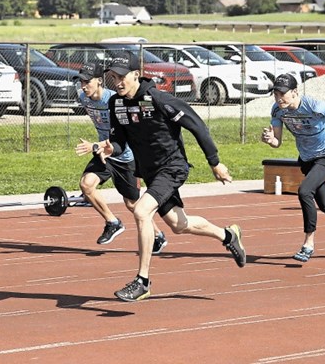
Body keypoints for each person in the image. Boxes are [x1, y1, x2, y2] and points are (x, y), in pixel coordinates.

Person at [99, 54, 246, 302]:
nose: (117, 82)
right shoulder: (116, 103)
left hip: (173, 167)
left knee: (141, 211)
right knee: (179, 225)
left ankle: (142, 281)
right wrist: (109, 147)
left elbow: (197, 125)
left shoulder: (158, 98)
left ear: (136, 74)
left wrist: (215, 162)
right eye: (112, 78)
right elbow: (119, 141)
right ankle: (228, 235)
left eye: (121, 76)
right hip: (150, 172)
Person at [261, 74, 325, 262]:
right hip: (307, 159)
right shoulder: (277, 111)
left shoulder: (314, 106)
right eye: (275, 94)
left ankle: (308, 243)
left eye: (282, 94)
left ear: (294, 92)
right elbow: (277, 142)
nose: (278, 98)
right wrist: (269, 139)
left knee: (304, 191)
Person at [74, 62, 168, 253]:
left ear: (99, 81)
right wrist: (99, 146)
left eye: (87, 81)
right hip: (104, 155)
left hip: (125, 155)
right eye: (81, 81)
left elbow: (123, 135)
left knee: (132, 204)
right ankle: (113, 222)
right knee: (86, 185)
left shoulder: (114, 101)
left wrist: (95, 145)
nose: (83, 86)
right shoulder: (84, 98)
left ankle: (157, 235)